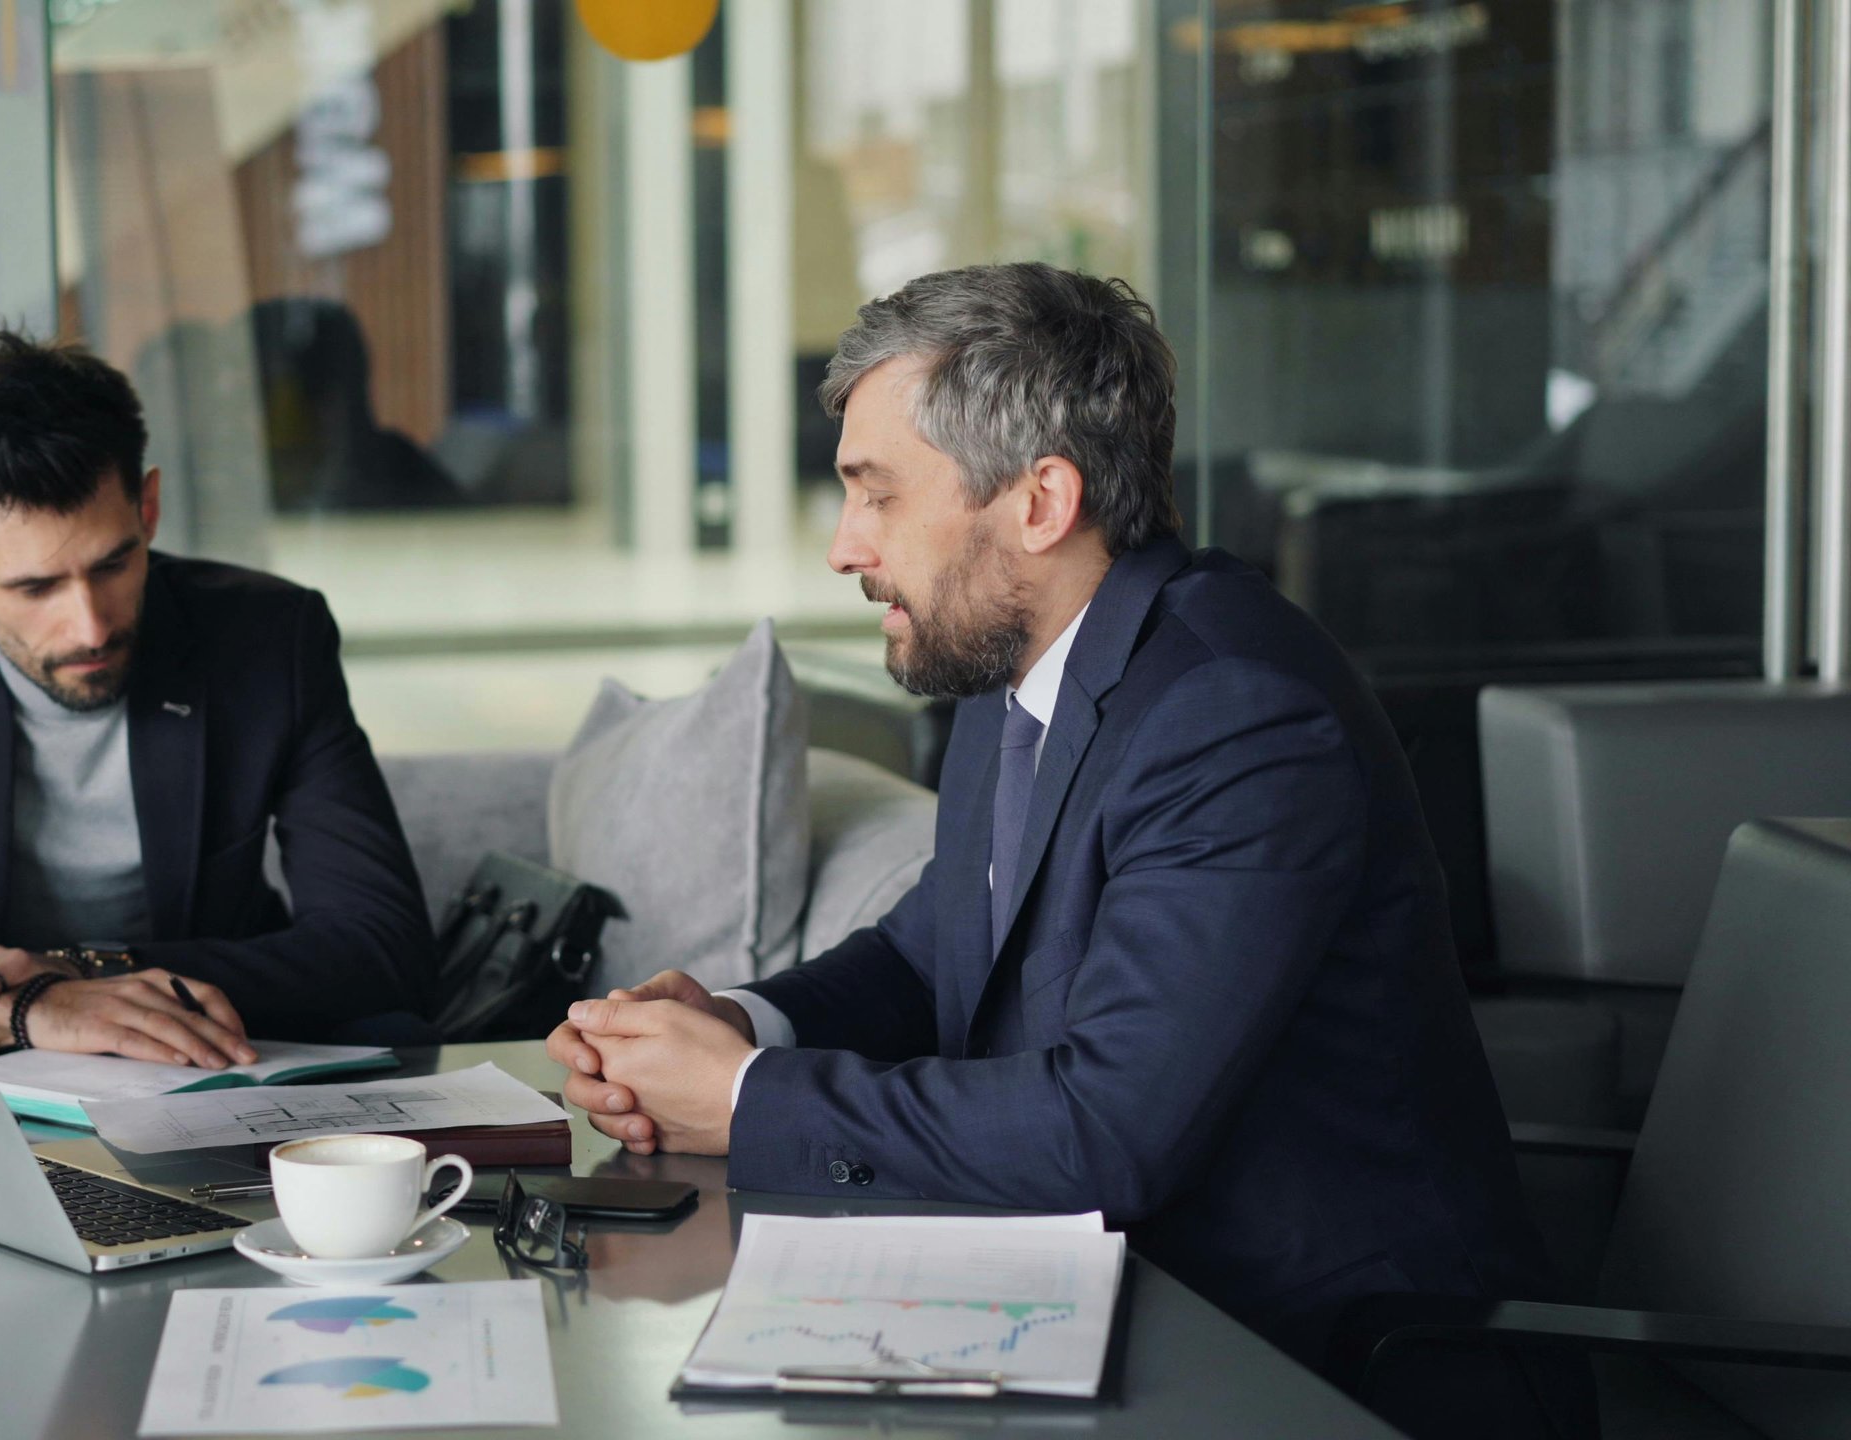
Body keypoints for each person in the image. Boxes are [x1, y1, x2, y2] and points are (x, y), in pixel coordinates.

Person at [547, 264, 1570, 1429]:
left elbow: (1104, 1133)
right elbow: (934, 947)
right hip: (1104, 1306)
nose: (842, 547)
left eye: (875, 495)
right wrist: (745, 1024)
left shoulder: (1234, 712)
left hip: (1323, 1366)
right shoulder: (1020, 670)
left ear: (1039, 503)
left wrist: (741, 1096)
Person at [0, 330, 435, 1067]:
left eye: (113, 563)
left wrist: (76, 974)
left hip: (205, 1054)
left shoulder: (268, 640)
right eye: (35, 587)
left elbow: (382, 945)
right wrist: (29, 1014)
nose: (92, 624)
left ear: (149, 508)